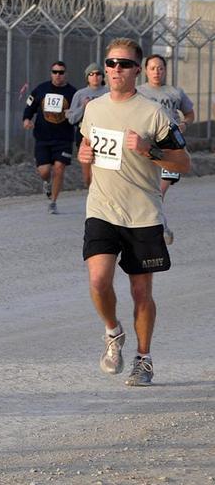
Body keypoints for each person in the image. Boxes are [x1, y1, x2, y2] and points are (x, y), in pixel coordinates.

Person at [77, 38, 191, 387]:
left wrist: (149, 149)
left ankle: (143, 359)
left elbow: (184, 163)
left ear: (137, 71)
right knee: (98, 280)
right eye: (110, 63)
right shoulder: (94, 108)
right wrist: (85, 159)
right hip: (102, 208)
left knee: (141, 293)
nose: (114, 69)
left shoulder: (154, 112)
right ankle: (113, 332)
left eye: (123, 64)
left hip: (142, 214)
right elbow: (88, 149)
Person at [137, 54, 195, 245]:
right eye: (152, 68)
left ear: (165, 70)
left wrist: (185, 123)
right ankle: (155, 224)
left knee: (159, 190)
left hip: (170, 148)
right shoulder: (138, 92)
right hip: (146, 146)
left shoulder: (175, 93)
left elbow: (189, 113)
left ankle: (160, 225)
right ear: (145, 70)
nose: (156, 72)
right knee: (147, 190)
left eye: (160, 68)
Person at [23, 61, 77, 214]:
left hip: (63, 138)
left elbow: (79, 113)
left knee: (59, 169)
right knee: (44, 171)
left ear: (66, 74)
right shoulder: (41, 89)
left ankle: (53, 202)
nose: (58, 75)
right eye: (55, 72)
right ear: (51, 73)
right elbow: (30, 105)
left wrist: (72, 115)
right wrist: (26, 119)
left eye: (61, 72)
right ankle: (46, 182)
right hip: (43, 137)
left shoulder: (73, 93)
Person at [67, 63, 107, 187]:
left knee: (102, 172)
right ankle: (92, 192)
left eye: (98, 74)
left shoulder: (109, 92)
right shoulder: (80, 94)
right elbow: (72, 119)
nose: (95, 77)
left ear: (102, 76)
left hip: (105, 135)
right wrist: (83, 107)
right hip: (85, 134)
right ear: (87, 77)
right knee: (87, 176)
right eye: (91, 74)